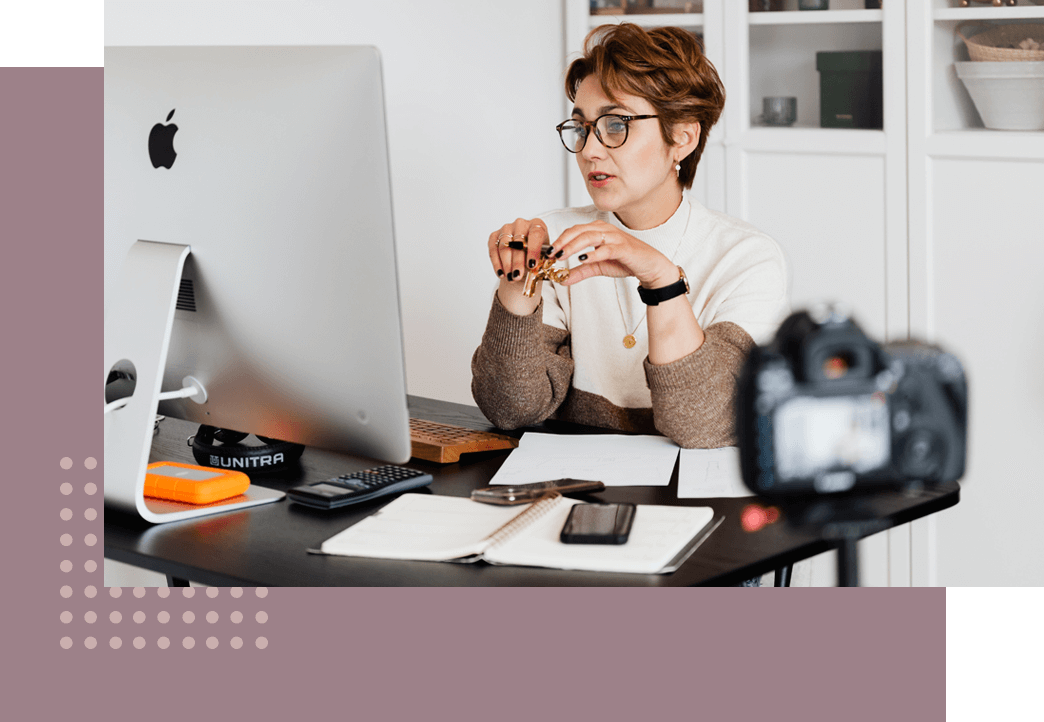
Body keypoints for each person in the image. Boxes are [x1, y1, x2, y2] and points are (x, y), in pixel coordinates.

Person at [472, 23, 789, 457]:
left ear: (682, 137)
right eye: (582, 128)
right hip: (572, 486)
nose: (589, 150)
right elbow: (511, 410)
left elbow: (705, 425)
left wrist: (662, 280)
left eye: (616, 124)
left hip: (694, 498)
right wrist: (516, 286)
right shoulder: (553, 239)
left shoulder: (746, 258)